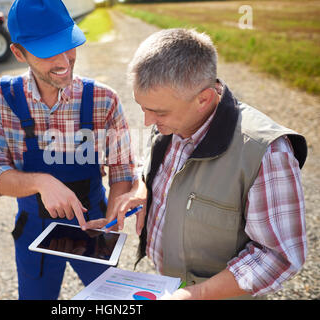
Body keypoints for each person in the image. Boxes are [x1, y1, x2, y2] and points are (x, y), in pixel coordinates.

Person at [105, 28, 308, 299]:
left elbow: (278, 256)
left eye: (158, 112)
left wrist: (196, 294)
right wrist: (142, 190)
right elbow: (156, 168)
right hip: (167, 285)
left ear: (204, 99)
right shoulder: (172, 121)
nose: (147, 122)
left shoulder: (266, 152)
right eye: (142, 107)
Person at [0, 0, 135, 299]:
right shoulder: (1, 97)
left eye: (68, 44)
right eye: (48, 50)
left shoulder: (104, 99)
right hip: (32, 231)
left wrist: (114, 220)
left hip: (94, 226)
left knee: (112, 302)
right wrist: (40, 182)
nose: (65, 60)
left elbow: (122, 169)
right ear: (18, 52)